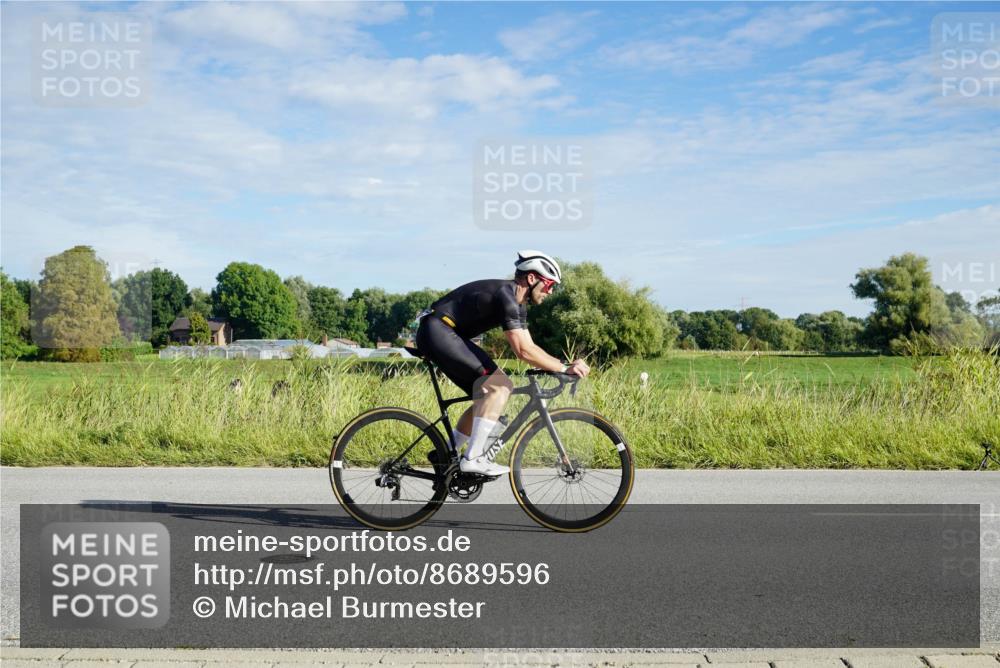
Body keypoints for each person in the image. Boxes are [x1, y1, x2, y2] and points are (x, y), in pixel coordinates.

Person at [414, 250, 590, 476]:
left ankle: (445, 453)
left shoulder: (517, 303)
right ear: (532, 278)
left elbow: (530, 345)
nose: (551, 291)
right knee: (501, 386)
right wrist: (565, 368)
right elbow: (523, 351)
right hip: (439, 331)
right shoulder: (506, 295)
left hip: (441, 332)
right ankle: (473, 458)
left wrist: (560, 364)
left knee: (485, 395)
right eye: (549, 285)